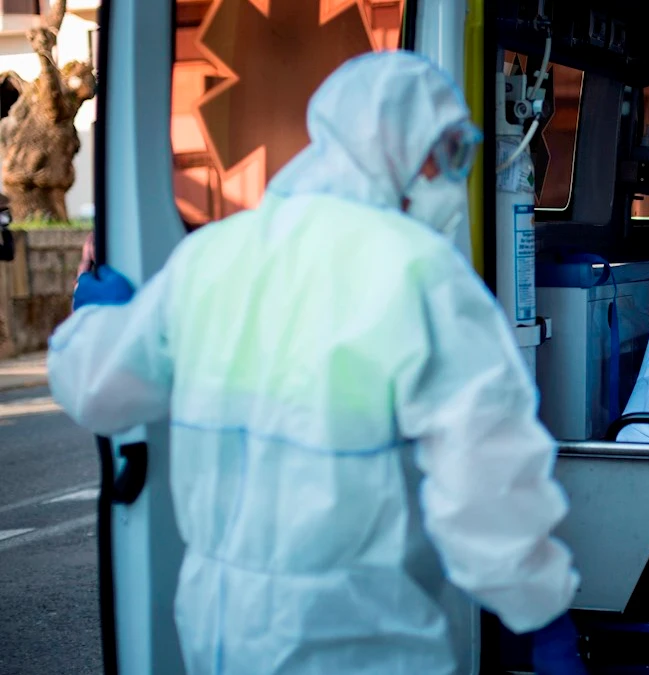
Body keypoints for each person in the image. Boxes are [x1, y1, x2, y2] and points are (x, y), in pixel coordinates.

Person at [48, 51, 586, 675]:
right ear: (400, 148)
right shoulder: (419, 271)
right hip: (356, 638)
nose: (451, 177)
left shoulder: (212, 258)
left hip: (216, 630)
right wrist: (542, 612)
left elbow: (96, 388)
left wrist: (97, 318)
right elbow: (485, 479)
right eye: (448, 153)